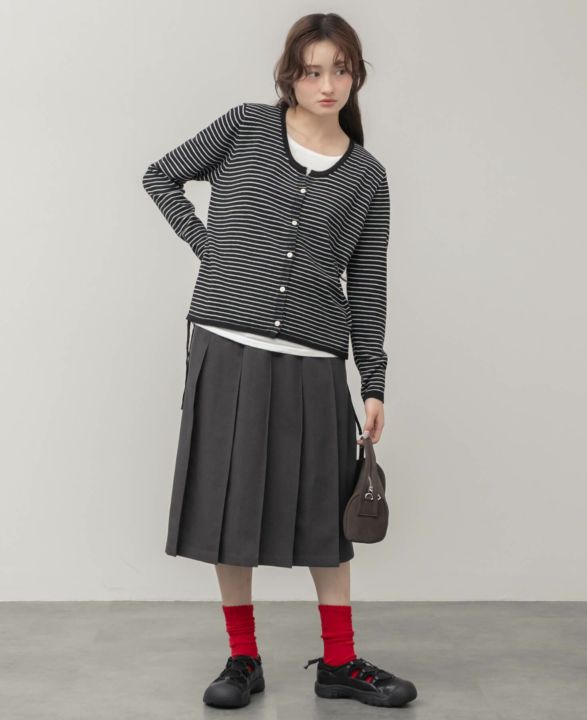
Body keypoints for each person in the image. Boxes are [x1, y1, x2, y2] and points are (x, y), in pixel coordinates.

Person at [142, 11, 417, 711]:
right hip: (227, 343)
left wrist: (374, 380)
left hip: (314, 356)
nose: (327, 84)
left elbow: (369, 283)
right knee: (226, 501)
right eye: (312, 70)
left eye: (341, 70)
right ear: (289, 75)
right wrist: (211, 248)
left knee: (325, 507)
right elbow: (161, 176)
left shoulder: (368, 176)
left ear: (356, 76)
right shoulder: (246, 127)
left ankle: (340, 663)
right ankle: (243, 658)